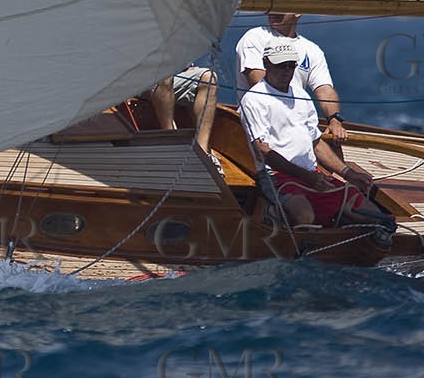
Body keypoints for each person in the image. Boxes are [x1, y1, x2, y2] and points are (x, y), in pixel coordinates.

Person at [239, 38, 383, 228]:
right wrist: (306, 177)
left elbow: (315, 142)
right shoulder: (254, 100)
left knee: (373, 215)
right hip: (276, 176)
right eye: (281, 65)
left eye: (291, 66)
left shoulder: (300, 94)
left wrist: (348, 173)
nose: (287, 71)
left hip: (310, 174)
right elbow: (263, 151)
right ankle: (272, 215)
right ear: (266, 63)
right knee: (304, 215)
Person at [236, 12, 346, 147]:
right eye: (272, 5)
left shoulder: (312, 50)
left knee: (335, 152)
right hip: (262, 122)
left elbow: (324, 88)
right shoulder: (255, 37)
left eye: (280, 6)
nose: (273, 11)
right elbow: (257, 80)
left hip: (297, 125)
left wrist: (334, 120)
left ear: (297, 12)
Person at [150, 64, 218, 157]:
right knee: (165, 74)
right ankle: (172, 140)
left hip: (171, 76)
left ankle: (202, 152)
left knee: (209, 77)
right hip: (137, 80)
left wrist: (186, 66)